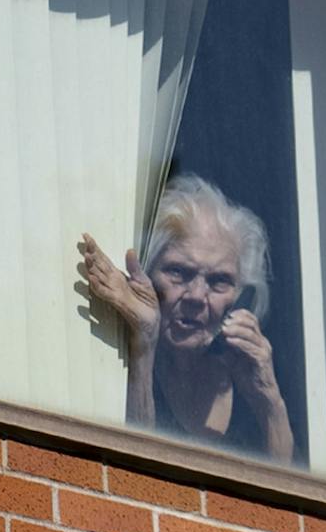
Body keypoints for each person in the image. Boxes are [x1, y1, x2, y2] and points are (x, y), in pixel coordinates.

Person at [77, 175, 294, 463]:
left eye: (219, 281)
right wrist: (144, 345)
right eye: (178, 272)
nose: (195, 296)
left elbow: (287, 502)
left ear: (240, 297)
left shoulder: (249, 379)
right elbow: (133, 477)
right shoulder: (114, 363)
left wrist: (270, 402)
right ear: (147, 272)